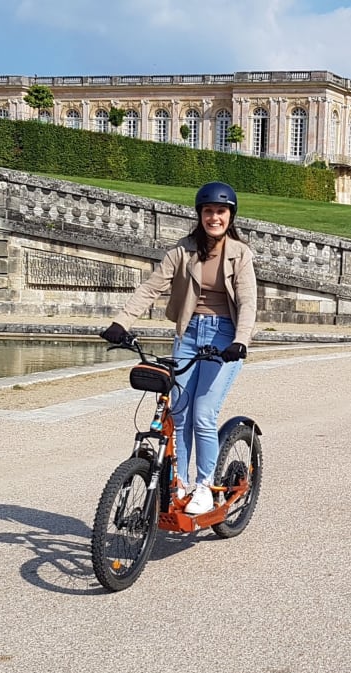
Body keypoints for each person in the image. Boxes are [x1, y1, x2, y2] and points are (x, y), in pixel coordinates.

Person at [100, 181, 257, 515]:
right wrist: (122, 322)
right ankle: (179, 485)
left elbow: (247, 303)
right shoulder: (182, 251)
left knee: (203, 413)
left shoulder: (240, 254)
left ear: (231, 216)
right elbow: (150, 288)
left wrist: (240, 341)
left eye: (221, 211)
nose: (215, 217)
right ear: (200, 214)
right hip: (188, 334)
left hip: (225, 337)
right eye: (209, 211)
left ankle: (204, 487)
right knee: (179, 414)